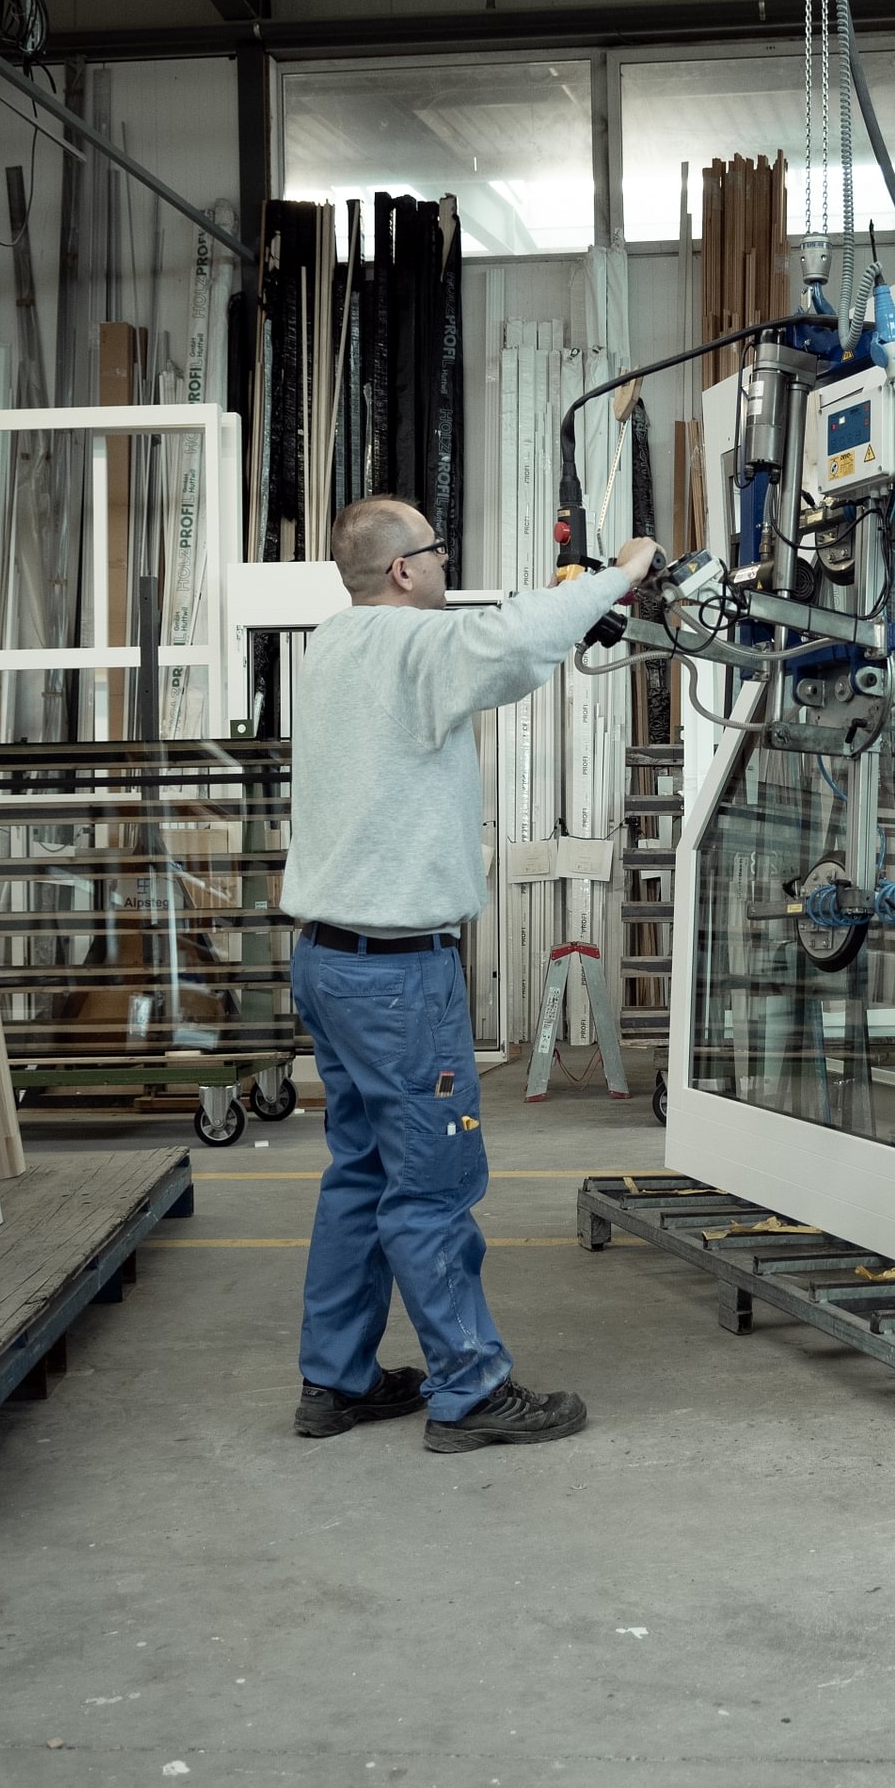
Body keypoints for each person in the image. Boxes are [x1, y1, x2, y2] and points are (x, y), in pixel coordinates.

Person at [281, 495, 660, 1452]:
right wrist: (621, 574)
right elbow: (507, 639)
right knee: (432, 1184)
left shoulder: (332, 648)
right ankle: (469, 1390)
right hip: (399, 978)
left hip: (328, 962)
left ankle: (337, 1382)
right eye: (438, 552)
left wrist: (565, 614)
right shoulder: (416, 651)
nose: (447, 565)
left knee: (361, 1175)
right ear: (404, 571)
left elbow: (505, 651)